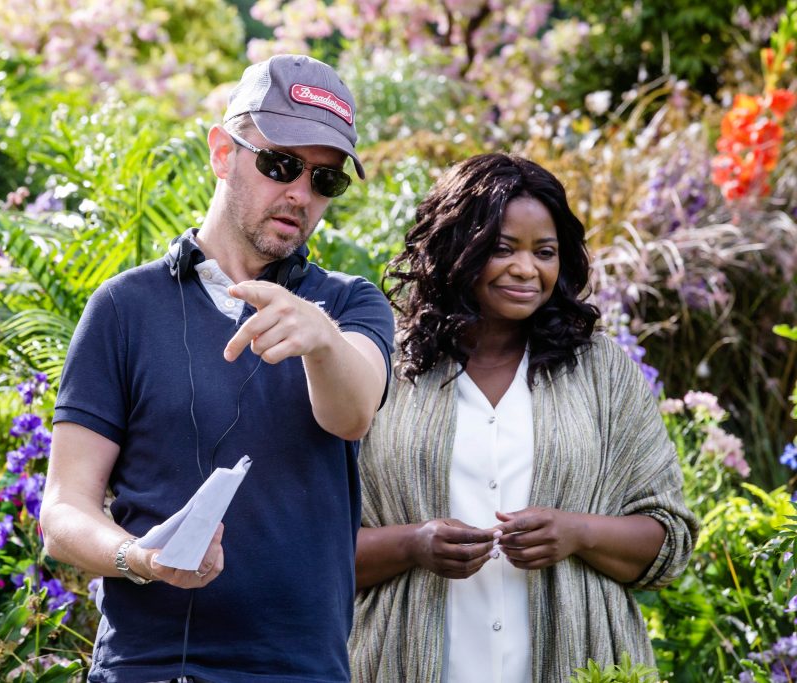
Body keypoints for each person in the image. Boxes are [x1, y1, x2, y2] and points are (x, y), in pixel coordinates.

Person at [40, 54, 394, 683]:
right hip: (148, 670)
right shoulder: (124, 307)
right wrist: (137, 557)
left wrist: (321, 341)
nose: (300, 194)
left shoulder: (348, 304)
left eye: (325, 181)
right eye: (282, 165)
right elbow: (64, 513)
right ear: (223, 154)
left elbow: (353, 412)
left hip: (301, 672)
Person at [348, 153, 697, 682]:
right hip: (402, 663)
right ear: (454, 248)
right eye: (502, 248)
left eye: (545, 252)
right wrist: (411, 544)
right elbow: (317, 547)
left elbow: (668, 542)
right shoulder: (381, 367)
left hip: (577, 663)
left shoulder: (602, 372)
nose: (526, 269)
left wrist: (578, 532)